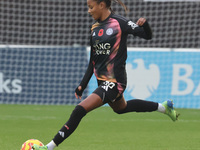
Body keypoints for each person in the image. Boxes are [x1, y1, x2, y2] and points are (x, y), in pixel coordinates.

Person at [33, 0, 179, 149]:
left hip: (115, 82)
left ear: (102, 5)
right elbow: (93, 61)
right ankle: (164, 107)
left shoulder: (120, 23)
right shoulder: (94, 28)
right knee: (121, 108)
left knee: (79, 110)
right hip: (102, 82)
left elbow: (147, 36)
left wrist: (145, 25)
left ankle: (48, 147)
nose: (89, 11)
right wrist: (82, 85)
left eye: (91, 7)